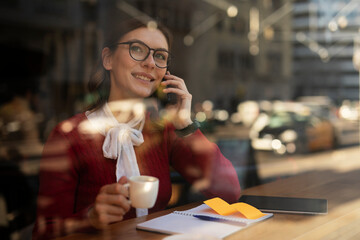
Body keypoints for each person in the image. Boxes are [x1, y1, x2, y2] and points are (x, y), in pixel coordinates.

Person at [32, 19, 240, 239]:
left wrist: (186, 126)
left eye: (160, 56)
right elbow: (44, 233)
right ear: (108, 59)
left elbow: (228, 193)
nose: (151, 63)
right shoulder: (68, 136)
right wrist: (91, 218)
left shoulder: (163, 131)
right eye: (137, 49)